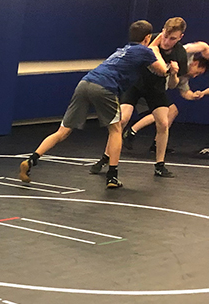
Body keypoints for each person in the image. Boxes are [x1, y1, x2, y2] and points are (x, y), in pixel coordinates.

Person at [19, 20, 167, 189]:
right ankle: (112, 176)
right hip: (105, 87)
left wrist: (152, 45)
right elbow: (161, 70)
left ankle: (31, 160)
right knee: (116, 130)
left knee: (63, 131)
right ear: (147, 37)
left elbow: (142, 52)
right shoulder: (145, 51)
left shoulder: (123, 50)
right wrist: (160, 55)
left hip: (85, 82)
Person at [90, 17, 187, 178]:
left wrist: (174, 74)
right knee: (121, 120)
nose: (167, 41)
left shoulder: (180, 53)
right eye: (165, 36)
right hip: (136, 84)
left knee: (163, 122)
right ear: (162, 31)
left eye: (172, 39)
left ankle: (160, 165)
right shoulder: (150, 41)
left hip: (155, 89)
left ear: (180, 37)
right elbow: (145, 51)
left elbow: (172, 85)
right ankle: (105, 158)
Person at [125, 40, 209, 162]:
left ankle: (155, 143)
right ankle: (131, 131)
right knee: (162, 112)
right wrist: (206, 53)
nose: (195, 76)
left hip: (157, 89)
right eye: (197, 72)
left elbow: (185, 92)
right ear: (195, 63)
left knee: (172, 111)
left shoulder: (184, 77)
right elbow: (202, 46)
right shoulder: (183, 55)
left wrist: (195, 95)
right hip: (147, 83)